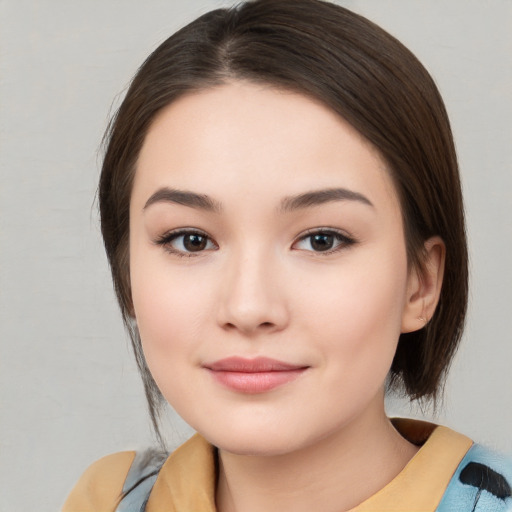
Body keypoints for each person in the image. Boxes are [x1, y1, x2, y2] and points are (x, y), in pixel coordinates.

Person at [62, 0, 512, 510]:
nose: (249, 308)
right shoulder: (108, 498)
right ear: (127, 275)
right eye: (191, 240)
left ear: (421, 282)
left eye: (322, 239)